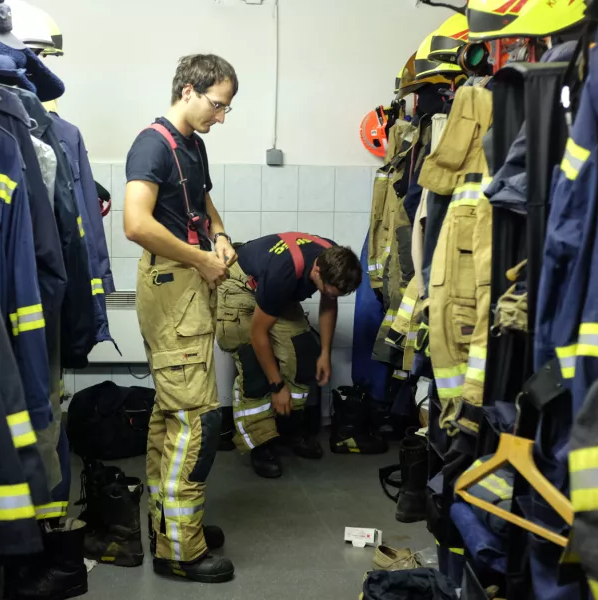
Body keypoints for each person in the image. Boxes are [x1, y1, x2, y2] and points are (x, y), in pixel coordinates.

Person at [123, 54, 238, 584]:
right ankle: (179, 552)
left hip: (189, 283)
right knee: (196, 422)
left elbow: (205, 206)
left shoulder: (193, 146)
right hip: (174, 285)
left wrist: (220, 237)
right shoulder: (153, 144)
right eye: (218, 104)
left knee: (172, 414)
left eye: (226, 107)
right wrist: (199, 258)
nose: (221, 116)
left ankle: (169, 525)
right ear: (189, 92)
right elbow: (135, 223)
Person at [215, 233, 362, 478]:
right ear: (316, 271)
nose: (329, 294)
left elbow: (328, 303)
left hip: (274, 287)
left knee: (305, 354)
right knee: (254, 365)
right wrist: (277, 386)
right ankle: (260, 443)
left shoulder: (334, 259)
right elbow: (258, 334)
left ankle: (288, 428)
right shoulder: (283, 272)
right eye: (328, 289)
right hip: (241, 285)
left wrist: (325, 353)